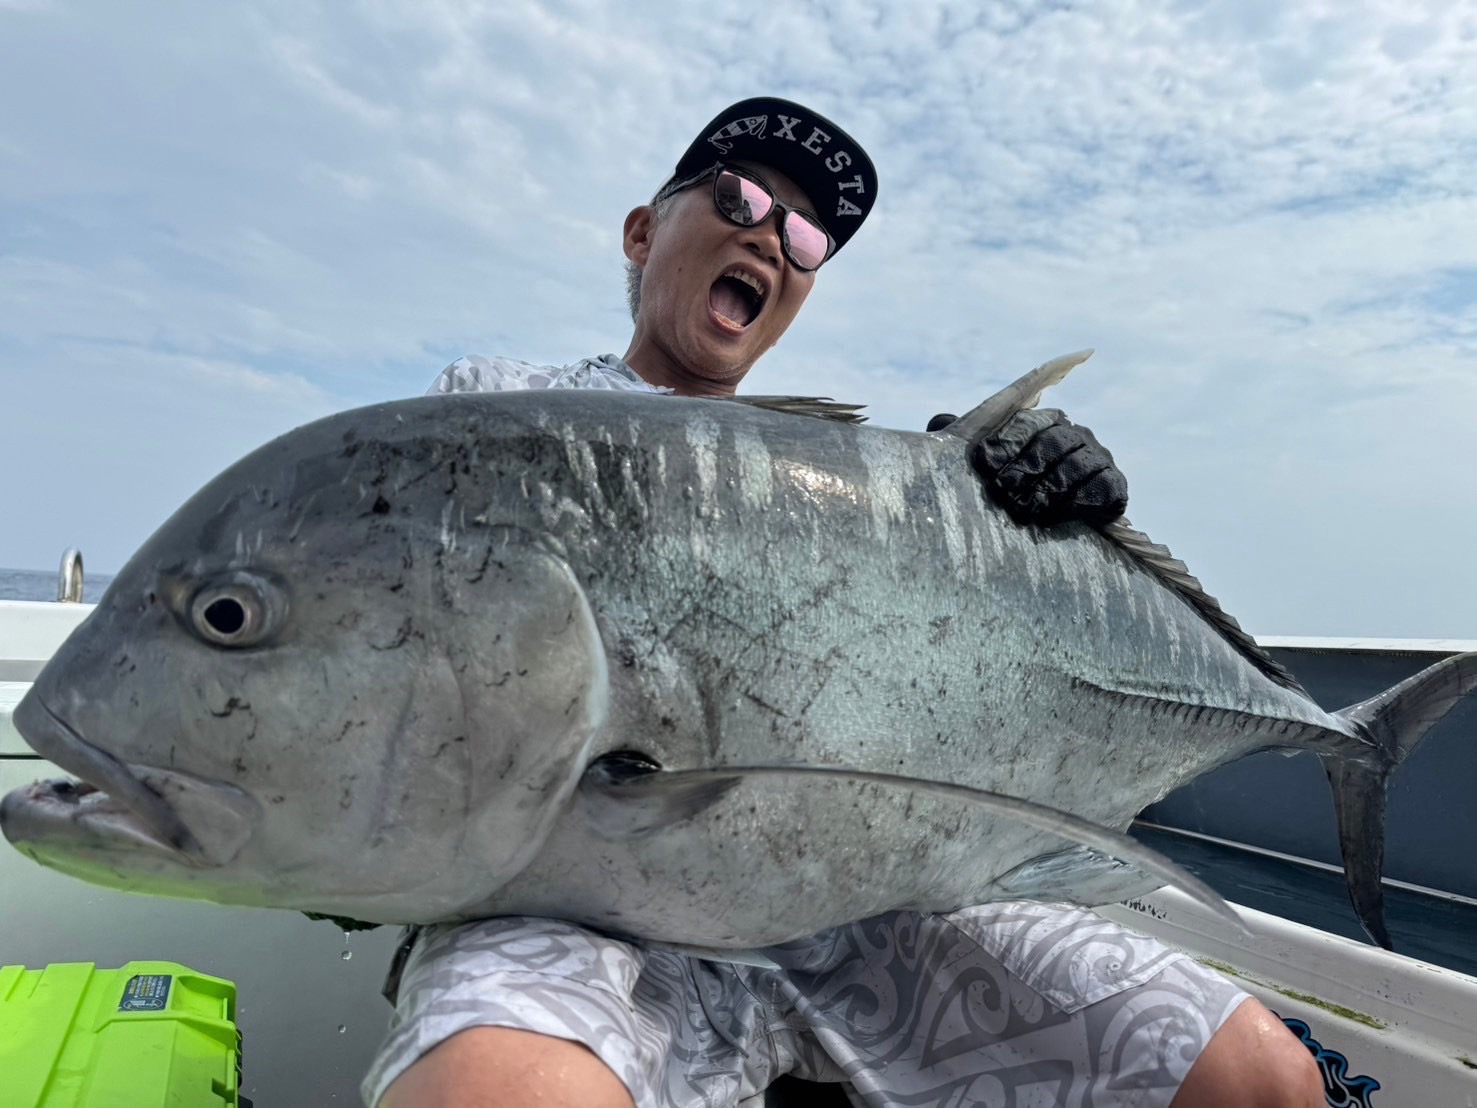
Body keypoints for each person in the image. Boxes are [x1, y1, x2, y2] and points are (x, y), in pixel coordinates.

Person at [367, 98, 1323, 1108]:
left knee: (1259, 1078)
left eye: (804, 237)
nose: (768, 239)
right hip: (570, 904)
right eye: (738, 197)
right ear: (641, 232)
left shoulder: (836, 485)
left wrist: (1008, 525)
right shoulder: (499, 405)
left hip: (862, 909)